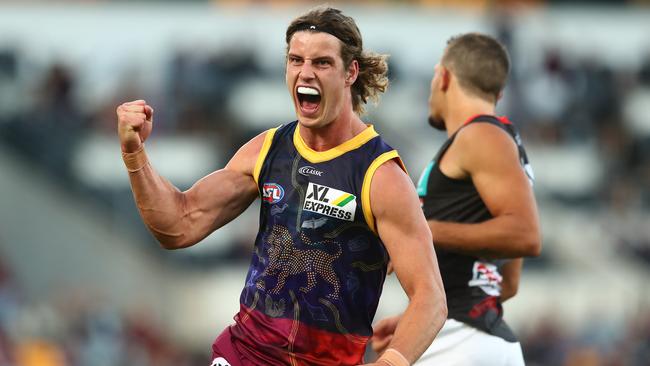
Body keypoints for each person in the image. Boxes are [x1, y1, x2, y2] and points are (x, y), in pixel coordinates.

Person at [116, 6, 446, 366]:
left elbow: (430, 298)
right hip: (245, 353)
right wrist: (134, 154)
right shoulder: (267, 150)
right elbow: (178, 225)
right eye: (295, 60)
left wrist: (390, 361)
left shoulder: (381, 176)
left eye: (321, 62)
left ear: (350, 72)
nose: (305, 73)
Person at [371, 33, 542, 365]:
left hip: (462, 343)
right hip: (476, 337)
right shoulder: (502, 143)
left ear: (444, 77)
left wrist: (425, 230)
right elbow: (508, 282)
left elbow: (526, 236)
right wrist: (417, 322)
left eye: (435, 74)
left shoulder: (481, 136)